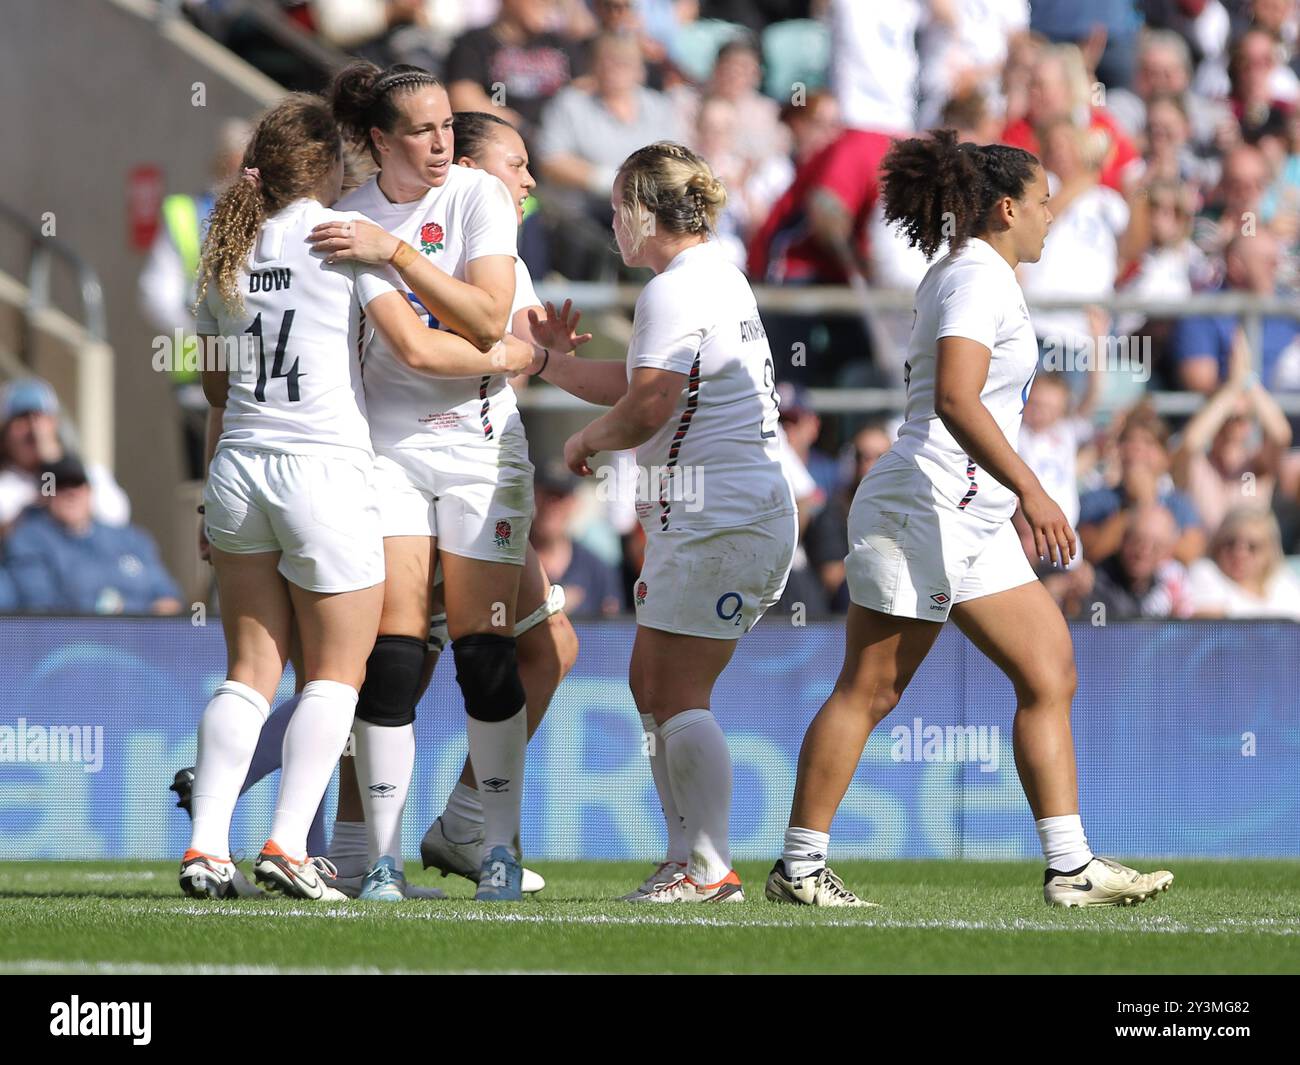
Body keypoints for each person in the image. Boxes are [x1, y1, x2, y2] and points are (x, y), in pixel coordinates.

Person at [769, 130, 1173, 908]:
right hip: (926, 502)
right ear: (1006, 207)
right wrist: (1033, 489)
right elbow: (955, 398)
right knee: (871, 689)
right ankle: (800, 866)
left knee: (1049, 669)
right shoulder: (976, 280)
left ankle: (1069, 865)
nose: (1054, 216)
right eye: (1045, 202)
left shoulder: (977, 274)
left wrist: (1008, 496)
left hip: (968, 511)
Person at [178, 93, 531, 902]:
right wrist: (516, 353)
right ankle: (288, 844)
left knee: (247, 671)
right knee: (339, 673)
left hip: (237, 471)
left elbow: (215, 386)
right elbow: (414, 344)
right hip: (325, 472)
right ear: (335, 165)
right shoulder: (343, 240)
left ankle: (205, 847)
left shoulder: (227, 248)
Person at [309, 62, 554, 902]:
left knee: (488, 653)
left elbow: (488, 314)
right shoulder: (346, 218)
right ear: (379, 140)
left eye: (449, 124)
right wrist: (507, 355)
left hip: (481, 448)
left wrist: (397, 252)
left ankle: (497, 849)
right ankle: (377, 860)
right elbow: (429, 348)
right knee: (394, 656)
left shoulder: (478, 197)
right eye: (421, 129)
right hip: (386, 452)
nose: (442, 142)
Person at [530, 142, 797, 902]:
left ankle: (709, 865)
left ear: (646, 212)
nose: (613, 221)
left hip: (725, 516)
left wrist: (585, 440)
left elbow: (650, 404)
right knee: (652, 682)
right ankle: (686, 856)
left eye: (618, 206)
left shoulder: (677, 289)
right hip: (713, 515)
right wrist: (548, 364)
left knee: (676, 691)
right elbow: (640, 379)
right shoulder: (706, 279)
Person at [4, 455, 182, 615]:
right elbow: (43, 610)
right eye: (60, 486)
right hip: (73, 644)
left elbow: (168, 597)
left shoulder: (131, 539)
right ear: (44, 495)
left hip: (143, 641)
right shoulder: (28, 542)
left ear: (89, 491)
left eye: (76, 483)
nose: (71, 492)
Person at [0, 378, 130, 532]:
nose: (33, 429)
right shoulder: (5, 486)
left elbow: (117, 516)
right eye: (21, 419)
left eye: (39, 417)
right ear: (5, 433)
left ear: (55, 424)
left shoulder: (89, 472)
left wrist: (56, 464)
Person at [1187, 504, 1300, 619]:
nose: (1239, 553)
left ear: (1269, 552)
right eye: (1230, 543)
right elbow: (1209, 627)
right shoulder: (1205, 571)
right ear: (1217, 544)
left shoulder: (1281, 579)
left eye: (1252, 547)